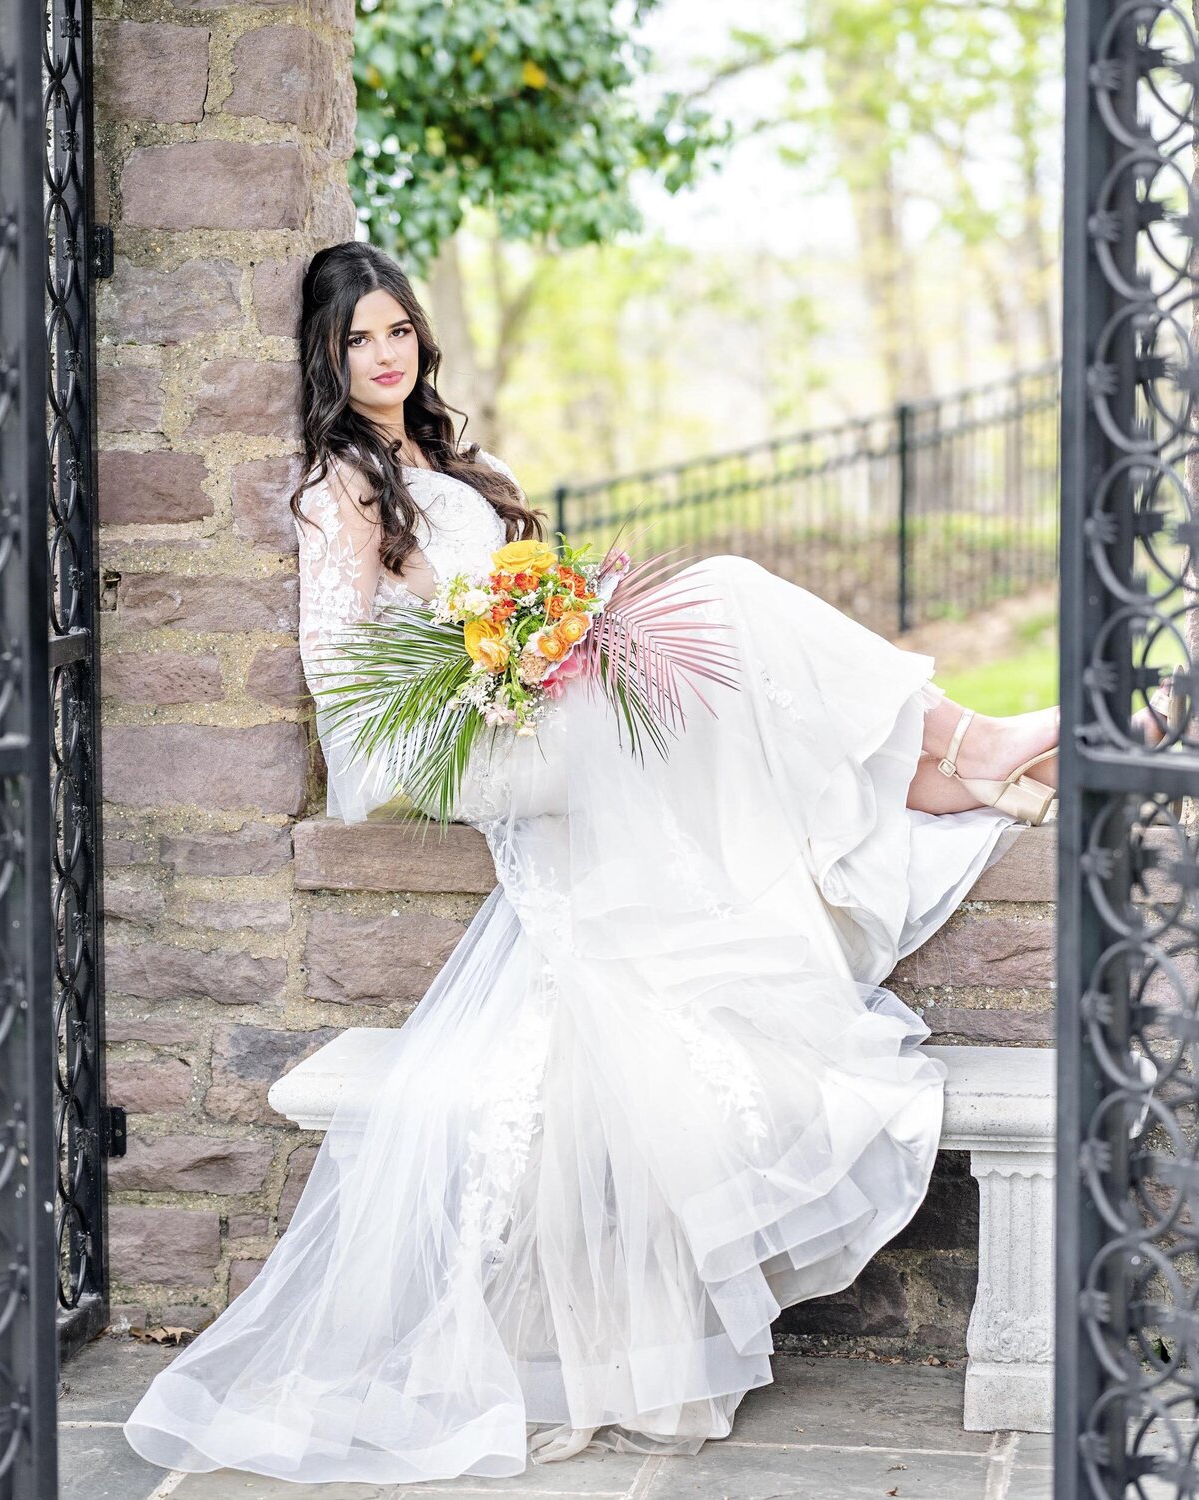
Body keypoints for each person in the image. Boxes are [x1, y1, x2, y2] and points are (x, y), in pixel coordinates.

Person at [122, 240, 1095, 1485]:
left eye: (399, 332)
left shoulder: (470, 469)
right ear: (324, 353)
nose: (384, 355)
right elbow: (345, 695)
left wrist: (559, 635)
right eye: (358, 337)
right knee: (734, 603)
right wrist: (482, 681)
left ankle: (963, 769)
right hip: (474, 742)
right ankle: (971, 753)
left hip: (544, 702)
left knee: (730, 648)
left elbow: (533, 596)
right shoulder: (339, 490)